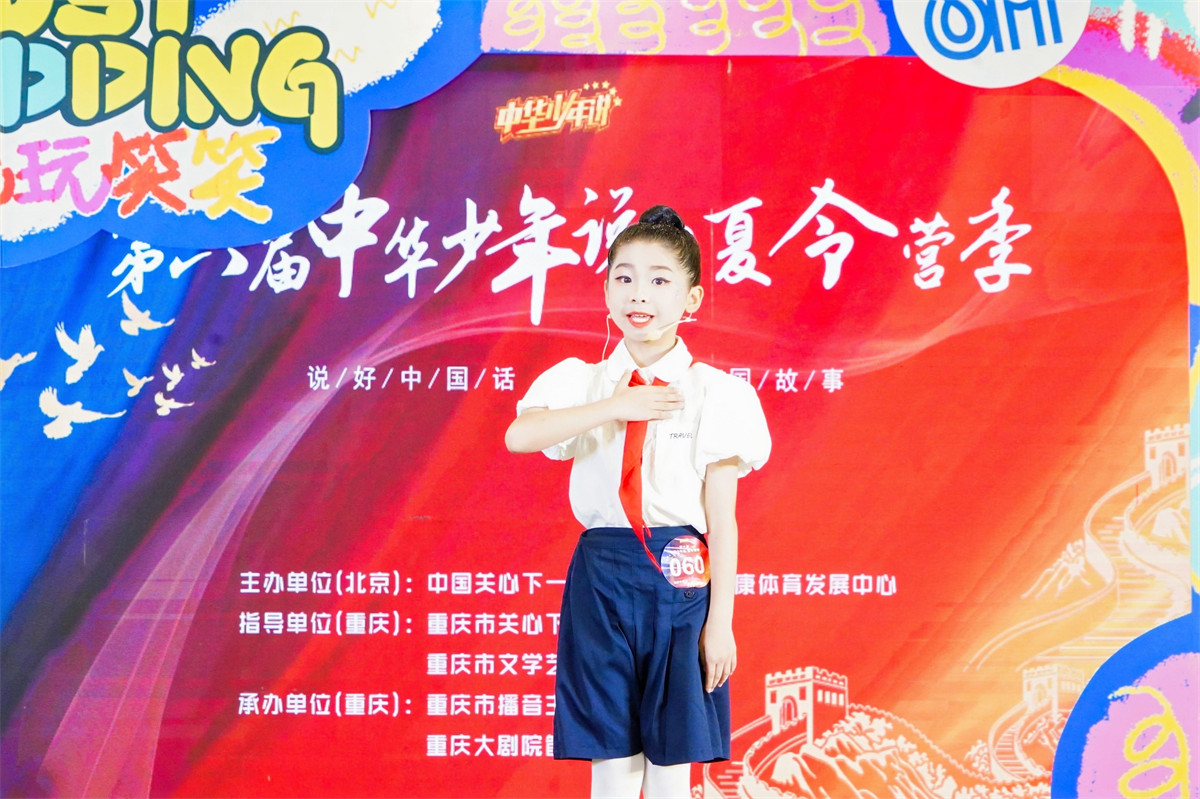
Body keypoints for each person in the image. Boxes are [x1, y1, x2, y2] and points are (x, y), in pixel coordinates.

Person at [505, 205, 771, 799]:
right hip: (600, 572)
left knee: (672, 756)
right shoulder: (582, 381)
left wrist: (721, 624)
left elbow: (722, 521)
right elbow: (520, 435)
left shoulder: (716, 393)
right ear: (605, 289)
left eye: (659, 280)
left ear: (692, 298)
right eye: (623, 277)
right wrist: (614, 407)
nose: (638, 294)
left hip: (682, 573)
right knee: (611, 751)